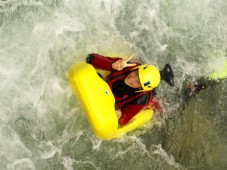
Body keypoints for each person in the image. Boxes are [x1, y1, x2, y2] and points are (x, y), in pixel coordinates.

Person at [86, 53, 174, 125]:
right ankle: (162, 74)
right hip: (142, 77)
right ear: (136, 69)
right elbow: (91, 58)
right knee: (144, 76)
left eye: (137, 82)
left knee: (161, 107)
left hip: (148, 95)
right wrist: (112, 65)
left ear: (140, 87)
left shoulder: (142, 99)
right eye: (135, 74)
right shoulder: (127, 66)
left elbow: (124, 119)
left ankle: (184, 91)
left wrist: (121, 115)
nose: (131, 79)